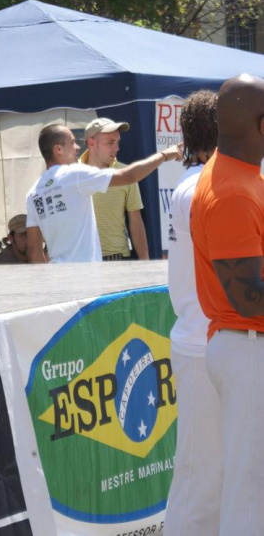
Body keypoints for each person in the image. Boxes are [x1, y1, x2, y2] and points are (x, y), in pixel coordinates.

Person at [190, 74, 264, 536]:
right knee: (250, 487)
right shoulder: (233, 190)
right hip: (247, 347)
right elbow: (247, 293)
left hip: (244, 346)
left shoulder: (238, 173)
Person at [164, 90, 221, 536]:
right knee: (200, 479)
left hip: (210, 343)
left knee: (214, 476)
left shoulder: (200, 183)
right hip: (207, 345)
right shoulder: (202, 187)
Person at [26, 124, 181, 263]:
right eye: (72, 142)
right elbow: (129, 176)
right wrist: (164, 155)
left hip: (58, 280)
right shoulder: (74, 174)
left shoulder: (33, 193)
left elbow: (34, 249)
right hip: (86, 278)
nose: (77, 147)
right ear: (58, 149)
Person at [80, 118, 148, 260]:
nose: (116, 148)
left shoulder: (126, 174)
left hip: (117, 258)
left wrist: (145, 262)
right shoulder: (71, 175)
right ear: (92, 143)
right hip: (81, 260)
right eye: (110, 142)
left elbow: (136, 220)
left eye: (117, 142)